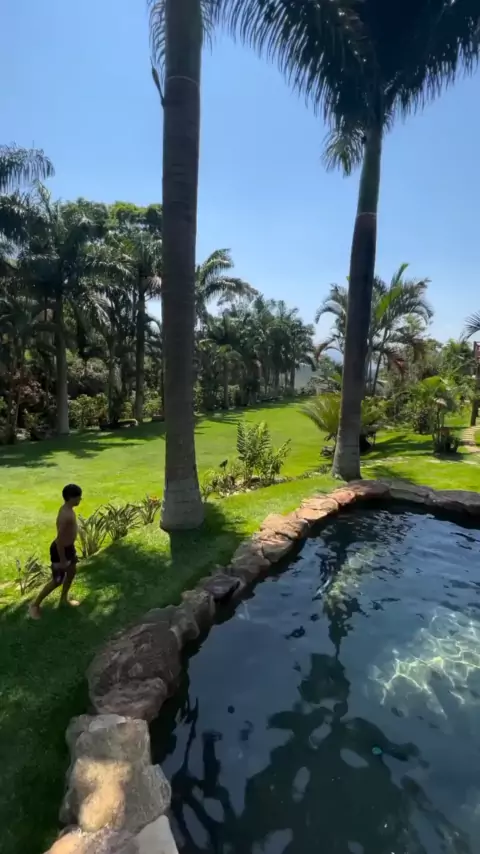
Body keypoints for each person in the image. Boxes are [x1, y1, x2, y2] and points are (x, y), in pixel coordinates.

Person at [28, 483, 82, 620]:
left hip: (69, 548)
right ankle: (34, 605)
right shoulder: (65, 515)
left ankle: (63, 599)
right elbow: (59, 540)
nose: (80, 499)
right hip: (60, 551)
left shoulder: (68, 509)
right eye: (78, 497)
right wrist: (62, 559)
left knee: (71, 572)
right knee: (57, 580)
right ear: (70, 498)